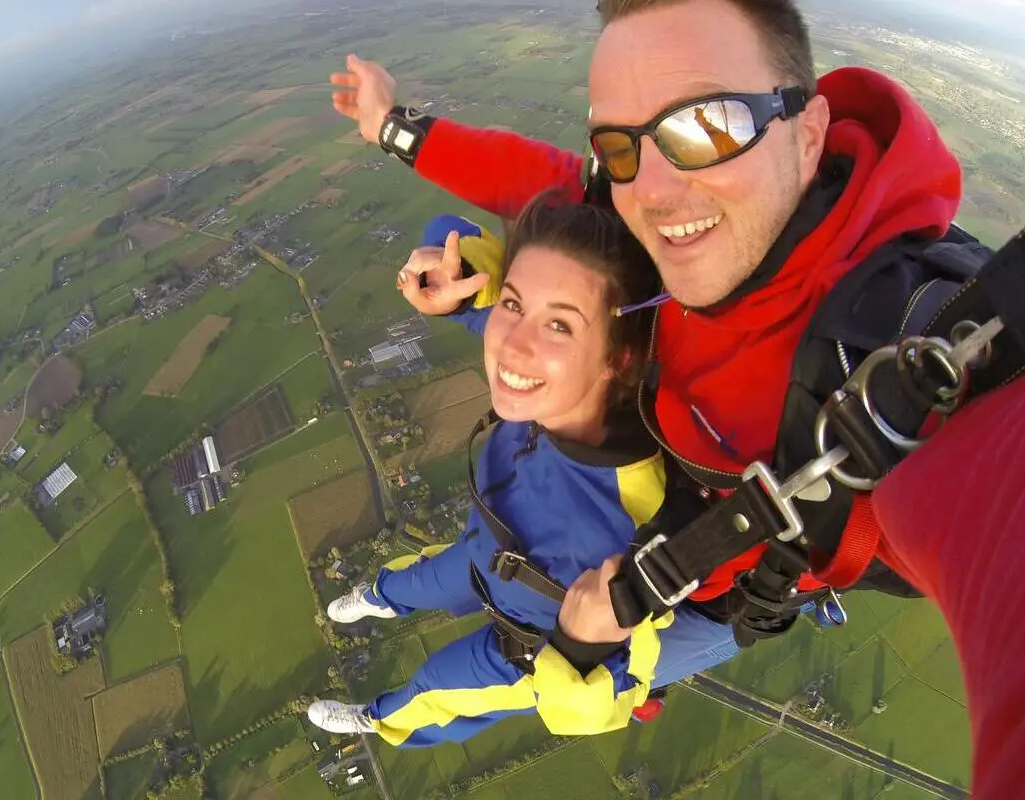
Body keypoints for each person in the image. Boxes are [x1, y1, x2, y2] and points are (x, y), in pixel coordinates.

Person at [331, 0, 953, 649]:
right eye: (620, 142)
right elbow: (547, 182)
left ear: (808, 130)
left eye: (708, 125)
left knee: (535, 683)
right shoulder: (676, 210)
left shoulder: (901, 346)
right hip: (634, 452)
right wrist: (391, 127)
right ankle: (381, 598)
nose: (652, 190)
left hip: (696, 596)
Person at [306, 197, 739, 747]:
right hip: (480, 552)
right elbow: (453, 236)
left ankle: (375, 716)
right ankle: (377, 597)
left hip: (528, 647)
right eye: (513, 305)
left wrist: (582, 647)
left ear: (618, 360)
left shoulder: (641, 516)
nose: (512, 342)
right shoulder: (566, 378)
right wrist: (461, 275)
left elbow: (605, 699)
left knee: (434, 693)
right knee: (409, 581)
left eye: (558, 324)